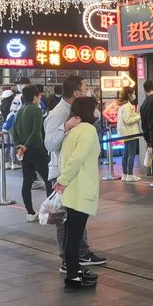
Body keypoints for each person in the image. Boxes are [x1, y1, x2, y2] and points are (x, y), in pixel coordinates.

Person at [44, 75, 107, 273]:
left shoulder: (79, 115)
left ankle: (80, 254)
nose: (88, 89)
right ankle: (68, 260)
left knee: (76, 218)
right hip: (63, 172)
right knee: (66, 221)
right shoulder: (59, 114)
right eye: (86, 87)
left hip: (71, 173)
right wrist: (65, 127)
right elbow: (50, 144)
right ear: (77, 93)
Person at [53, 97, 101, 290]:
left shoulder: (73, 130)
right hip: (79, 189)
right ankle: (73, 276)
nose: (97, 112)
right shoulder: (88, 130)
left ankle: (76, 271)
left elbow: (65, 158)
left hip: (73, 190)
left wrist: (63, 181)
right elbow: (76, 159)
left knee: (72, 235)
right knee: (74, 236)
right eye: (95, 108)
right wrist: (62, 181)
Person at [12, 86, 53, 222]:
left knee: (27, 181)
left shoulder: (20, 110)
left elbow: (14, 132)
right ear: (35, 96)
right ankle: (50, 211)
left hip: (25, 152)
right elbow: (36, 132)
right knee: (49, 179)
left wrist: (20, 146)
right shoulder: (35, 109)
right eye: (39, 96)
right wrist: (25, 146)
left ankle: (30, 212)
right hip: (36, 149)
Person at [117, 86, 142, 182]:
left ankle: (125, 174)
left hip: (125, 133)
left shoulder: (123, 106)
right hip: (131, 133)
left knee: (126, 154)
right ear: (129, 94)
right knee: (131, 154)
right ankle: (130, 175)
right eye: (133, 93)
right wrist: (139, 116)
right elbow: (128, 120)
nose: (134, 95)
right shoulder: (128, 106)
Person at [0, 89, 16, 170]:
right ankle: (14, 162)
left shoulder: (2, 106)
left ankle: (6, 162)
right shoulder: (12, 105)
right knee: (13, 144)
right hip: (12, 125)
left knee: (6, 145)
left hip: (5, 126)